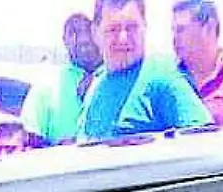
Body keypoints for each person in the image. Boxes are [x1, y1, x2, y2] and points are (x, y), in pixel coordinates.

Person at [78, 0, 213, 143]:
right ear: (95, 33)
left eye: (131, 27)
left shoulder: (163, 77)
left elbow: (205, 143)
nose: (123, 38)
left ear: (145, 27)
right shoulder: (94, 88)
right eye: (113, 29)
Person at [20, 13, 102, 146]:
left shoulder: (112, 79)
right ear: (64, 40)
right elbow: (29, 138)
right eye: (74, 32)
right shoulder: (46, 85)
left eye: (88, 30)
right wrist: (60, 150)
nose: (83, 39)